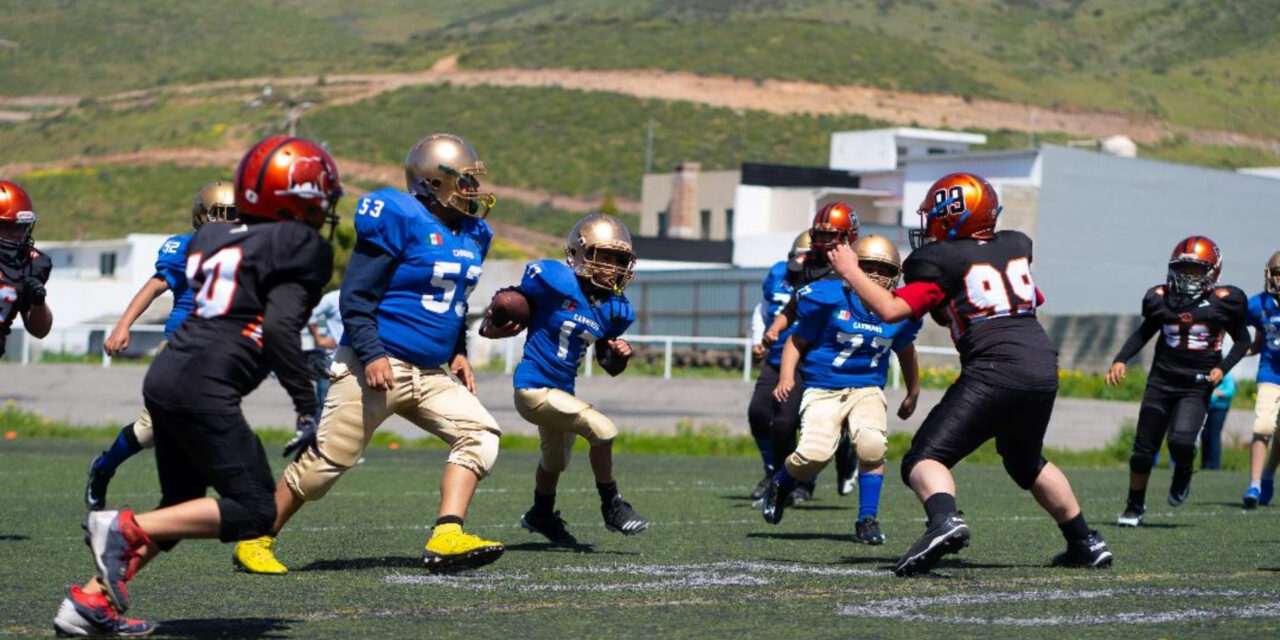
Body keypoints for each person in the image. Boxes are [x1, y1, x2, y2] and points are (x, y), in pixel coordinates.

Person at [52, 136, 340, 636]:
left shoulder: (211, 238)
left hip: (166, 378)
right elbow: (276, 329)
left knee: (179, 504)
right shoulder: (300, 246)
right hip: (204, 388)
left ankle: (88, 602)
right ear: (297, 196)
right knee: (255, 509)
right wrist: (304, 406)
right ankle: (119, 527)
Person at [232, 133, 505, 576]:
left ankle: (447, 534)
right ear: (434, 181)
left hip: (431, 372)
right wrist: (372, 352)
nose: (473, 192)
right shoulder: (399, 216)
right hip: (377, 363)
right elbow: (356, 297)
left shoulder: (475, 232)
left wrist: (459, 352)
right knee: (325, 465)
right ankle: (256, 537)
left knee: (481, 434)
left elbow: (455, 304)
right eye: (465, 182)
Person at [831, 172, 1112, 576]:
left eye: (933, 216)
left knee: (923, 458)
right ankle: (1085, 541)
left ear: (952, 215)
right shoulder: (1014, 247)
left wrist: (851, 271)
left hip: (995, 369)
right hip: (1042, 366)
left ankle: (944, 520)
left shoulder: (940, 260)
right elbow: (1023, 299)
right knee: (1024, 460)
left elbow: (891, 310)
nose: (928, 227)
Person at [483, 213, 649, 545]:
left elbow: (609, 365)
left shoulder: (616, 309)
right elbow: (510, 301)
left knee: (554, 461)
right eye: (604, 257)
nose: (613, 267)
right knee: (602, 429)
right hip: (532, 387)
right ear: (577, 254)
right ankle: (612, 505)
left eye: (619, 259)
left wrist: (619, 354)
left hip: (562, 392)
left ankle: (540, 514)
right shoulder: (552, 280)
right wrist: (493, 320)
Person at [86, 181, 238, 510]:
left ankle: (221, 494)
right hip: (180, 347)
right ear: (202, 217)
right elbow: (155, 286)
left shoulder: (248, 252)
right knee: (148, 431)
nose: (228, 223)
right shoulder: (185, 247)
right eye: (221, 215)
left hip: (221, 351)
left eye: (234, 215)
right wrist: (123, 325)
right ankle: (103, 468)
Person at [763, 234, 921, 546]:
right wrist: (785, 376)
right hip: (823, 388)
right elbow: (797, 340)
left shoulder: (898, 309)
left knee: (872, 446)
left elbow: (906, 351)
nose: (875, 275)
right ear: (851, 266)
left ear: (896, 276)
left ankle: (867, 518)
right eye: (868, 266)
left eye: (883, 269)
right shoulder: (829, 297)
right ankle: (781, 484)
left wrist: (913, 391)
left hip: (867, 389)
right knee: (814, 455)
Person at [1108, 236, 1250, 524]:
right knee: (1143, 449)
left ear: (1213, 271)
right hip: (1161, 381)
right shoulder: (1161, 299)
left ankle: (1183, 470)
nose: (1187, 277)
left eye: (1196, 270)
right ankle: (1134, 506)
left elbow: (1243, 340)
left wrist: (1223, 367)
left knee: (1181, 443)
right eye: (1183, 269)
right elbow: (1143, 332)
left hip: (1196, 384)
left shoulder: (1225, 302)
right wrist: (1121, 358)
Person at [763, 204, 862, 504]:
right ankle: (785, 483)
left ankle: (846, 454)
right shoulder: (804, 267)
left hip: (843, 355)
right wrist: (775, 329)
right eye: (818, 234)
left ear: (849, 236)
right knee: (782, 422)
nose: (822, 241)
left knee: (842, 427)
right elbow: (793, 307)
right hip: (804, 353)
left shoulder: (860, 267)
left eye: (830, 235)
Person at [745, 231, 809, 499]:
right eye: (798, 257)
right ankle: (773, 470)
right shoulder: (778, 274)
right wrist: (759, 339)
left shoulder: (827, 280)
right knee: (758, 413)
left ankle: (801, 481)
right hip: (775, 358)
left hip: (808, 361)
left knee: (789, 422)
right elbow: (763, 309)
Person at [1242, 251, 1280, 507]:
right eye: (1277, 272)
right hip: (1270, 373)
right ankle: (1254, 484)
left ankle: (1268, 474)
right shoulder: (1258, 304)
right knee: (1263, 426)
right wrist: (1240, 351)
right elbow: (1247, 334)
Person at [0, 180, 53, 361]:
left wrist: (38, 302)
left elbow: (40, 331)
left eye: (21, 226)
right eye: (8, 227)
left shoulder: (33, 263)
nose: (17, 234)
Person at [306, 288, 342, 422]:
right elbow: (310, 314)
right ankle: (316, 441)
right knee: (324, 409)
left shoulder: (366, 296)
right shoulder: (333, 298)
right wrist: (320, 339)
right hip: (331, 361)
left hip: (356, 362)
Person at [1200, 375, 1235, 471]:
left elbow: (1231, 391)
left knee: (1214, 435)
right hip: (1207, 407)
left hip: (1220, 408)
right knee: (1205, 435)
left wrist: (1218, 393)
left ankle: (1214, 465)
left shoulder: (1226, 375)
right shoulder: (1207, 374)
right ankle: (1204, 464)